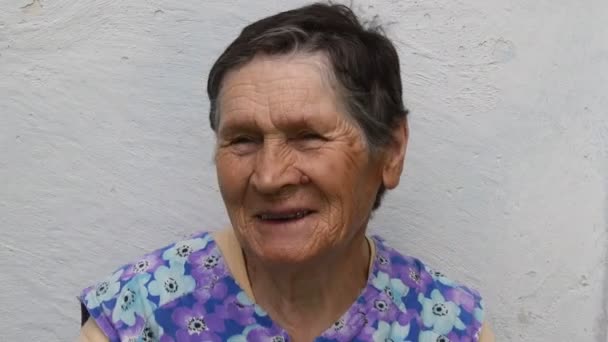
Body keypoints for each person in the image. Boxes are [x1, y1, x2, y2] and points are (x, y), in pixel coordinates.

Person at [79, 3, 494, 341]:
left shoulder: (446, 325)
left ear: (390, 150)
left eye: (308, 136)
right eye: (243, 139)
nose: (269, 177)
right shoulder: (141, 314)